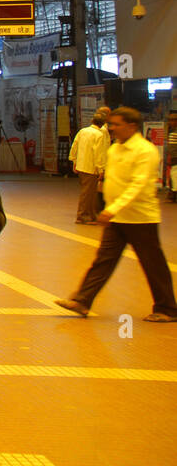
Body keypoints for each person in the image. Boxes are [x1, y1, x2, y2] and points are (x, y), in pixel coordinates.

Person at [55, 107, 177, 323]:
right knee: (104, 260)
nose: (112, 128)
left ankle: (167, 308)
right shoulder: (115, 149)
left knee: (153, 264)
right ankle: (82, 301)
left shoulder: (145, 151)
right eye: (111, 124)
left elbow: (138, 185)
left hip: (141, 218)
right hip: (118, 218)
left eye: (116, 124)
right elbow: (113, 180)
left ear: (131, 126)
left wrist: (112, 208)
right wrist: (108, 207)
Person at [68, 113, 110, 224]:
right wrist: (101, 169)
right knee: (87, 194)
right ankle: (82, 216)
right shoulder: (99, 135)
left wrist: (74, 161)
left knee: (89, 193)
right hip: (91, 168)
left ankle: (91, 215)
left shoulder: (83, 131)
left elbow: (74, 146)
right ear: (102, 124)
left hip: (81, 166)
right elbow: (99, 154)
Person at [166, 110, 177, 202]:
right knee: (173, 176)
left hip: (176, 158)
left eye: (173, 120)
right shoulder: (172, 131)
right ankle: (172, 196)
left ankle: (173, 196)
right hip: (173, 157)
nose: (171, 122)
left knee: (174, 176)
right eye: (170, 120)